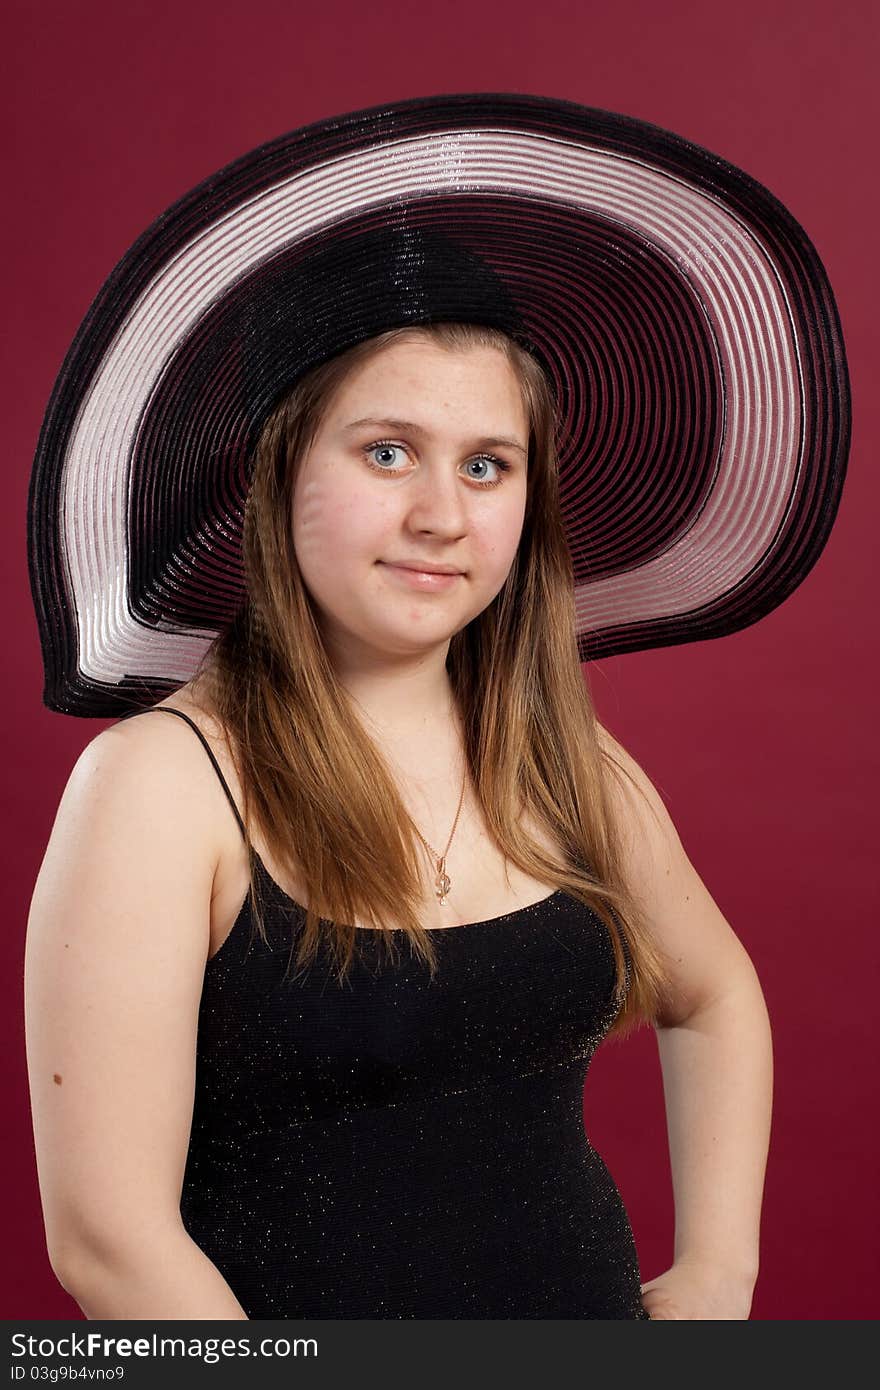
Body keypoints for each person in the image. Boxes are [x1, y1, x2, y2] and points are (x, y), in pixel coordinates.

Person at [23, 94, 848, 1321]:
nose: (442, 518)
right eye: (387, 451)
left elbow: (714, 995)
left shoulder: (565, 762)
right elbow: (110, 1241)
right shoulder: (158, 785)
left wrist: (718, 1269)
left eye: (486, 464)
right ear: (274, 473)